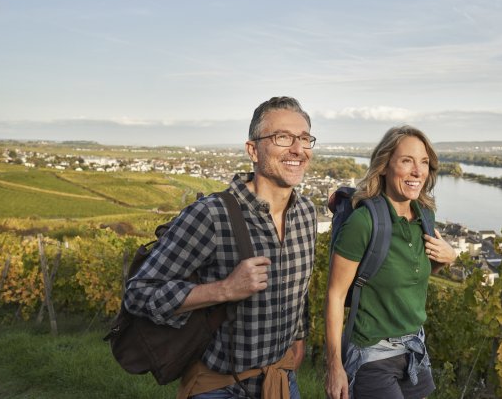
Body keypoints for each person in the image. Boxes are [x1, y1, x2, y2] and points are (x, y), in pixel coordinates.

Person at [124, 96, 317, 399]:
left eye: (305, 138)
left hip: (281, 381)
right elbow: (138, 294)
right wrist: (224, 289)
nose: (298, 149)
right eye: (283, 137)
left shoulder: (306, 214)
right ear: (252, 149)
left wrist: (298, 339)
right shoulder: (211, 214)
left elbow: (299, 293)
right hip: (221, 387)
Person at [324, 125, 458, 399]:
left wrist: (449, 258)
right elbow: (335, 295)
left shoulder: (425, 216)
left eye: (423, 162)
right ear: (384, 166)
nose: (418, 171)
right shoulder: (364, 222)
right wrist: (334, 365)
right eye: (407, 161)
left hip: (414, 349)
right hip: (373, 352)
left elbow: (409, 274)